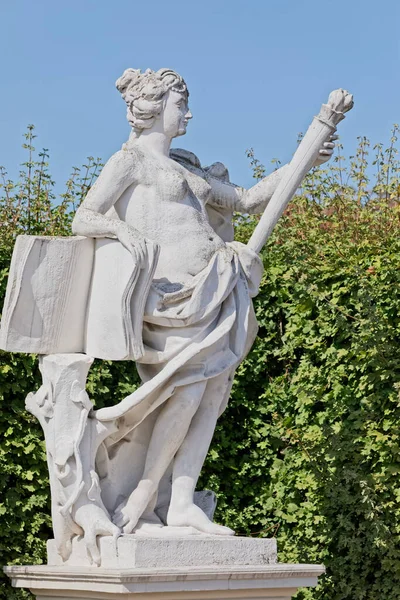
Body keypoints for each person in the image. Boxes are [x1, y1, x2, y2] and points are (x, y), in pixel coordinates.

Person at [72, 67, 336, 536]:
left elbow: (250, 200)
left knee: (212, 395)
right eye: (180, 104)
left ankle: (181, 502)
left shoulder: (188, 169)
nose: (188, 112)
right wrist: (123, 230)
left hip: (215, 286)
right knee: (186, 392)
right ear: (151, 107)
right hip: (170, 298)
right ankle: (143, 494)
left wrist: (303, 162)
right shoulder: (129, 162)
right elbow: (84, 216)